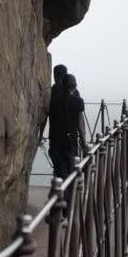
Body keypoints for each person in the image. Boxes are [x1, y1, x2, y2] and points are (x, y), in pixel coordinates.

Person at [48, 74, 87, 216]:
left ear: (62, 85)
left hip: (57, 144)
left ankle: (63, 209)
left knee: (61, 176)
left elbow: (52, 123)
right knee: (71, 177)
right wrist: (84, 144)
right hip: (71, 145)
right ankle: (69, 211)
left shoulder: (53, 102)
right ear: (75, 86)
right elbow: (80, 125)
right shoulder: (78, 102)